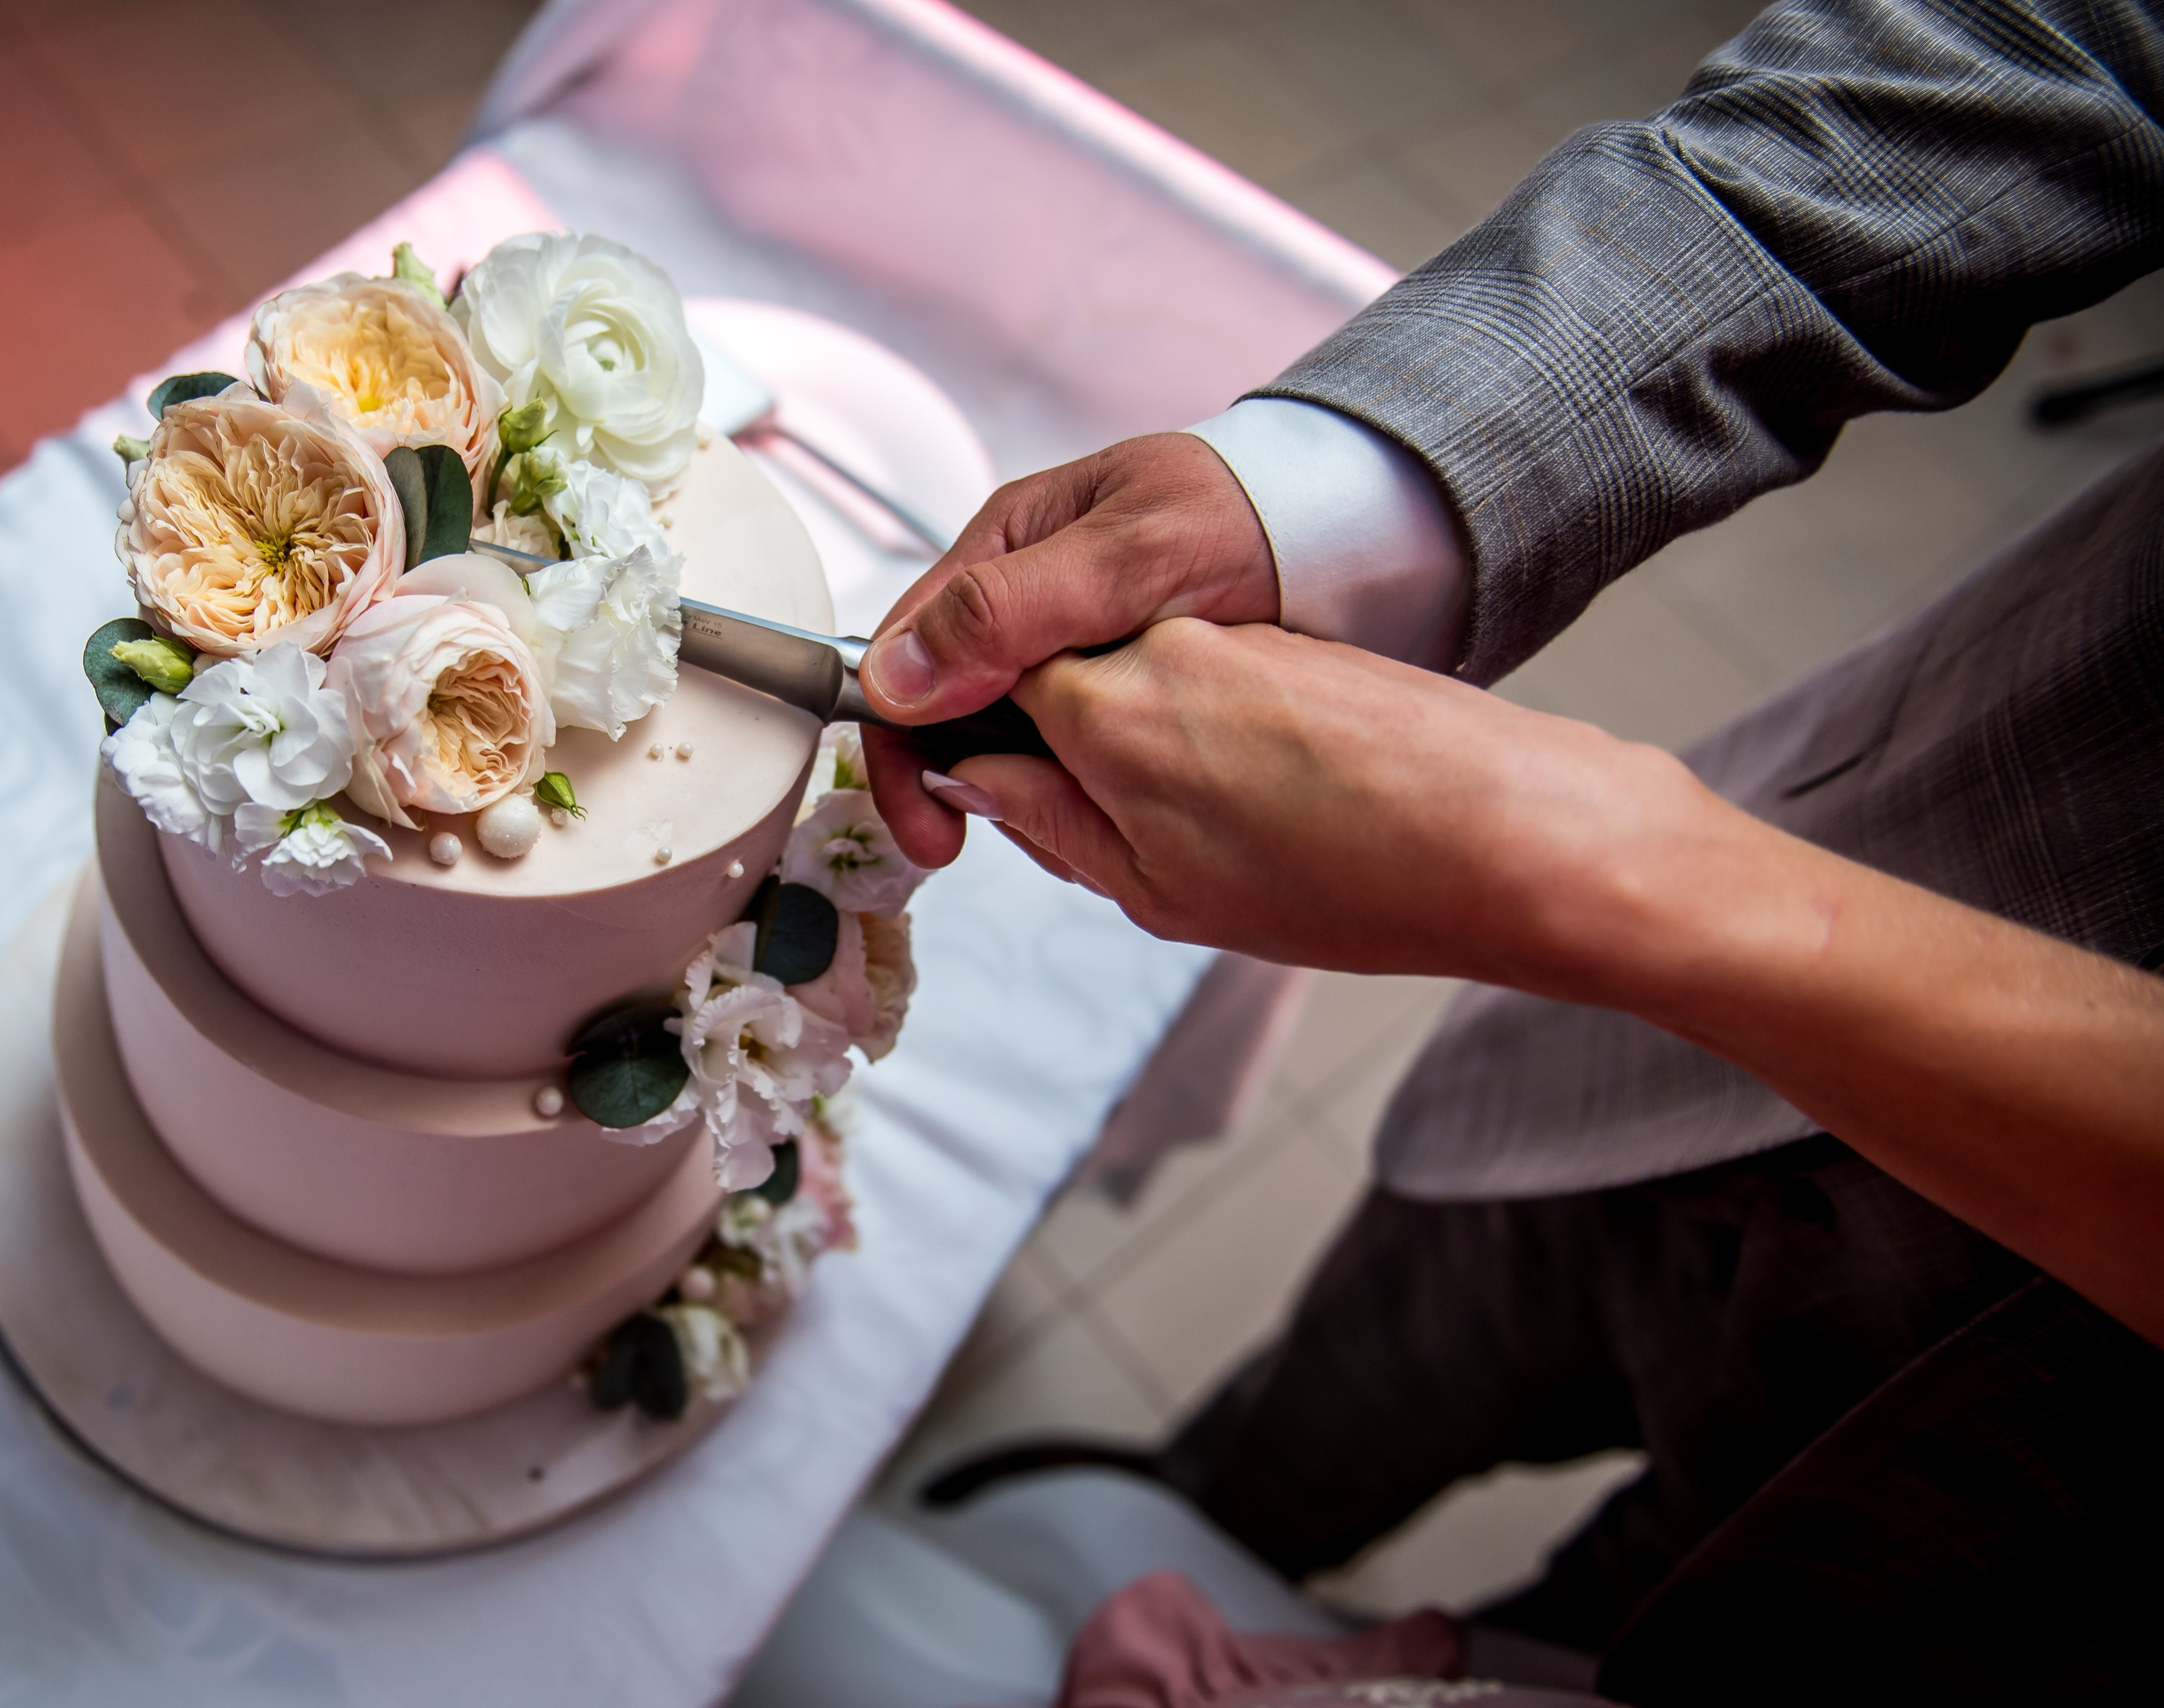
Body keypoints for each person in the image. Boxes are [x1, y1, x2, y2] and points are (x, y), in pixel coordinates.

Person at [869, 0, 2164, 1697]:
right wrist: (1328, 495)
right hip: (1679, 1039)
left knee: (1649, 1612)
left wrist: (1589, 872)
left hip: (2034, 1570)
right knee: (1349, 1381)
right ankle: (1195, 1497)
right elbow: (2054, 46)